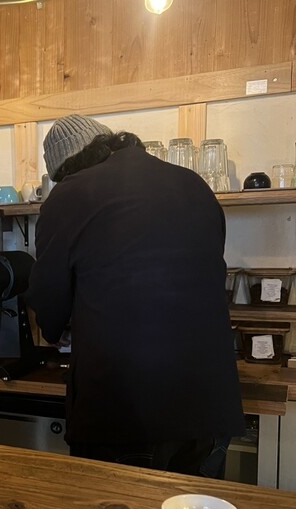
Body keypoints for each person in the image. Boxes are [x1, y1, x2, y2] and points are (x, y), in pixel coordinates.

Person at [26, 114, 245, 478]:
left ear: (65, 170)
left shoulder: (69, 194)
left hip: (125, 414)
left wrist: (60, 329)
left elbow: (48, 305)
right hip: (211, 409)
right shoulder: (193, 183)